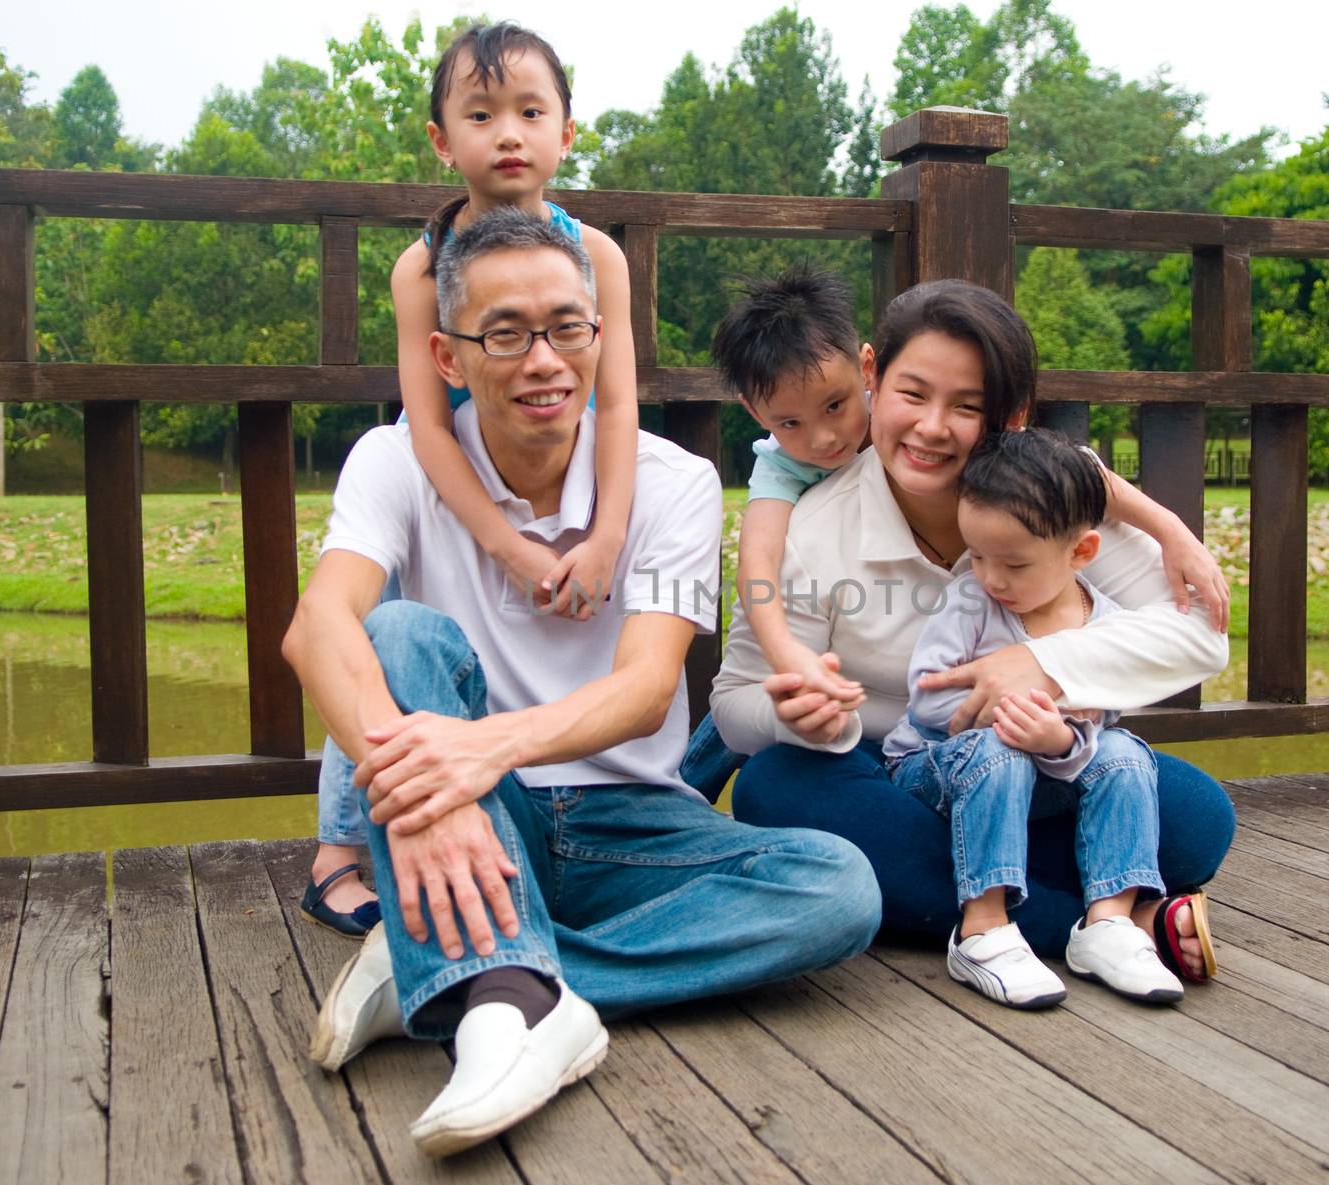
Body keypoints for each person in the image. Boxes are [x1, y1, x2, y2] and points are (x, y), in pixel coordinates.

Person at [283, 209, 880, 1158]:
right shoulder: (394, 459)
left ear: (599, 338)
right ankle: (504, 1004)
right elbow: (316, 627)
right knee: (393, 631)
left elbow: (646, 691)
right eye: (507, 333)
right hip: (486, 810)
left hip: (630, 818)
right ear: (445, 355)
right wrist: (458, 772)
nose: (545, 359)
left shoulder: (671, 478)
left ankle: (451, 969)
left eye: (569, 327)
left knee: (838, 886)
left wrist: (485, 742)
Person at [710, 279, 1234, 979]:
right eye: (912, 393)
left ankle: (976, 905)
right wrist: (795, 715)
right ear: (872, 376)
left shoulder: (1055, 497)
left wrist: (1042, 662)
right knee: (775, 787)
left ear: (1011, 417)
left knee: (1195, 816)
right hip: (892, 776)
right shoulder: (810, 531)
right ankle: (1107, 920)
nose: (931, 426)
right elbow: (733, 704)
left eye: (967, 406)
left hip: (1035, 765)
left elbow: (1200, 636)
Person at [303, 22, 640, 936]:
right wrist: (506, 543)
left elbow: (615, 404)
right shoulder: (422, 265)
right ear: (441, 140)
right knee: (374, 629)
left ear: (567, 132)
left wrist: (602, 535)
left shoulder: (596, 255)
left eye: (532, 112)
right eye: (481, 113)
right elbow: (423, 421)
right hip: (449, 470)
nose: (509, 134)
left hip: (544, 453)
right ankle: (339, 843)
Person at [886, 428, 1206, 1009]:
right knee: (1002, 750)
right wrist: (1015, 717)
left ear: (1081, 552)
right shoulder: (969, 604)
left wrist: (1056, 736)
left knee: (1127, 753)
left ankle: (1108, 922)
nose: (990, 578)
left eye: (1013, 563)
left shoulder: (1105, 625)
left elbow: (1098, 722)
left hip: (1042, 777)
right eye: (976, 555)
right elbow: (929, 702)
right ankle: (983, 927)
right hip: (938, 765)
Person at [680, 265, 871, 798]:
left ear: (866, 368)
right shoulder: (778, 467)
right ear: (754, 411)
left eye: (836, 404)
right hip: (779, 627)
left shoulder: (901, 424)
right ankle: (684, 799)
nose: (824, 437)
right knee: (739, 720)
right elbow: (757, 566)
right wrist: (785, 651)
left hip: (856, 618)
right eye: (790, 423)